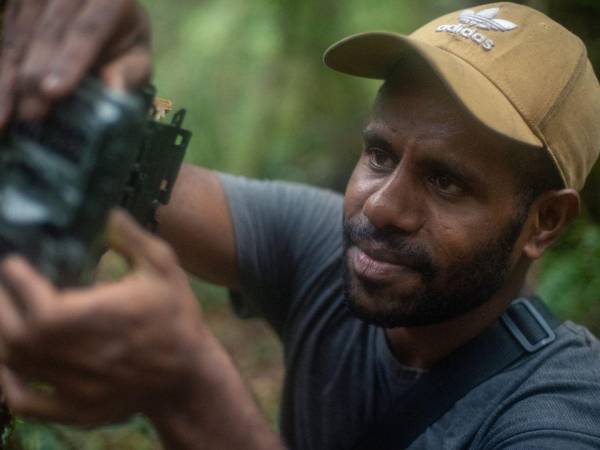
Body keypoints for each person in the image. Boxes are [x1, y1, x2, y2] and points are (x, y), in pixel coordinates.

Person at [0, 1, 599, 449]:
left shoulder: (559, 415)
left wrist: (188, 392)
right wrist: (71, 82)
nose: (383, 207)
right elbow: (139, 179)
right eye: (380, 155)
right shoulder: (331, 251)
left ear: (543, 222)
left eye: (446, 182)